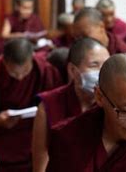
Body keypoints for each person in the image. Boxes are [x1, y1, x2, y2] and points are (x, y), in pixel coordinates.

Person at [0, 38, 61, 171]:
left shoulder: (45, 69)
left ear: (32, 59)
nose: (20, 77)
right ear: (4, 61)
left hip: (34, 126)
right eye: (14, 73)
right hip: (1, 130)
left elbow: (54, 109)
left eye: (25, 72)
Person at [32, 37, 110, 172]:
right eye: (94, 65)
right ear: (73, 70)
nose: (102, 72)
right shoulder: (49, 104)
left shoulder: (112, 103)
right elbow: (41, 161)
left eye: (106, 66)